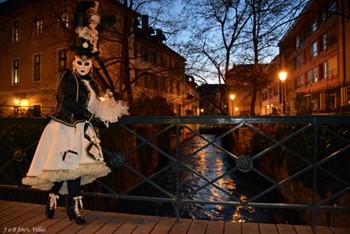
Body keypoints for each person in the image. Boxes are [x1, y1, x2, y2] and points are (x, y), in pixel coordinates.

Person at [22, 0, 128, 225]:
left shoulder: (92, 83)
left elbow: (95, 104)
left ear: (91, 64)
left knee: (72, 170)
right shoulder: (66, 77)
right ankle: (73, 210)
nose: (83, 65)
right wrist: (92, 119)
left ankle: (53, 198)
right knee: (69, 169)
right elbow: (67, 102)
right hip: (65, 128)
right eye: (80, 62)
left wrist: (108, 110)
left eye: (87, 63)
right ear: (73, 61)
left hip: (83, 131)